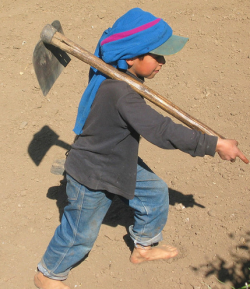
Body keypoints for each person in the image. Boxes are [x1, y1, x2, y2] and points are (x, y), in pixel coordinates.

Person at [34, 8, 249, 289]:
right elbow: (161, 131)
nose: (163, 62)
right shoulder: (121, 94)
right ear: (130, 59)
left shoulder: (114, 75)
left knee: (154, 194)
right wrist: (215, 144)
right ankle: (47, 274)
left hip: (117, 162)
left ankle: (143, 248)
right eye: (157, 56)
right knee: (79, 233)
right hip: (92, 175)